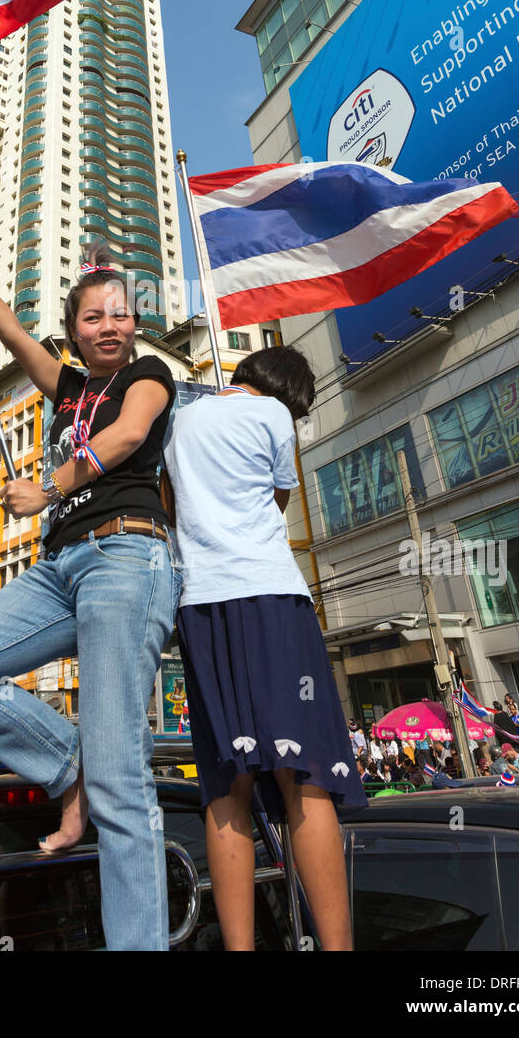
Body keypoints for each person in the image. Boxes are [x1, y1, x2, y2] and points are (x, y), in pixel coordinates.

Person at [0, 228, 178, 951]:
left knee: (124, 782)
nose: (109, 326)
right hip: (59, 570)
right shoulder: (66, 388)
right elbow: (7, 328)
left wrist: (51, 486)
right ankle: (66, 764)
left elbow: (125, 439)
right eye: (93, 317)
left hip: (127, 555)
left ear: (133, 323)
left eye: (119, 313)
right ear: (75, 332)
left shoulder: (148, 374)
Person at [161, 344, 366, 952]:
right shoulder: (275, 415)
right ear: (290, 394)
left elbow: (171, 507)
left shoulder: (177, 416)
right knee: (305, 777)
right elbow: (276, 504)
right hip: (272, 599)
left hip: (200, 605)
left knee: (227, 787)